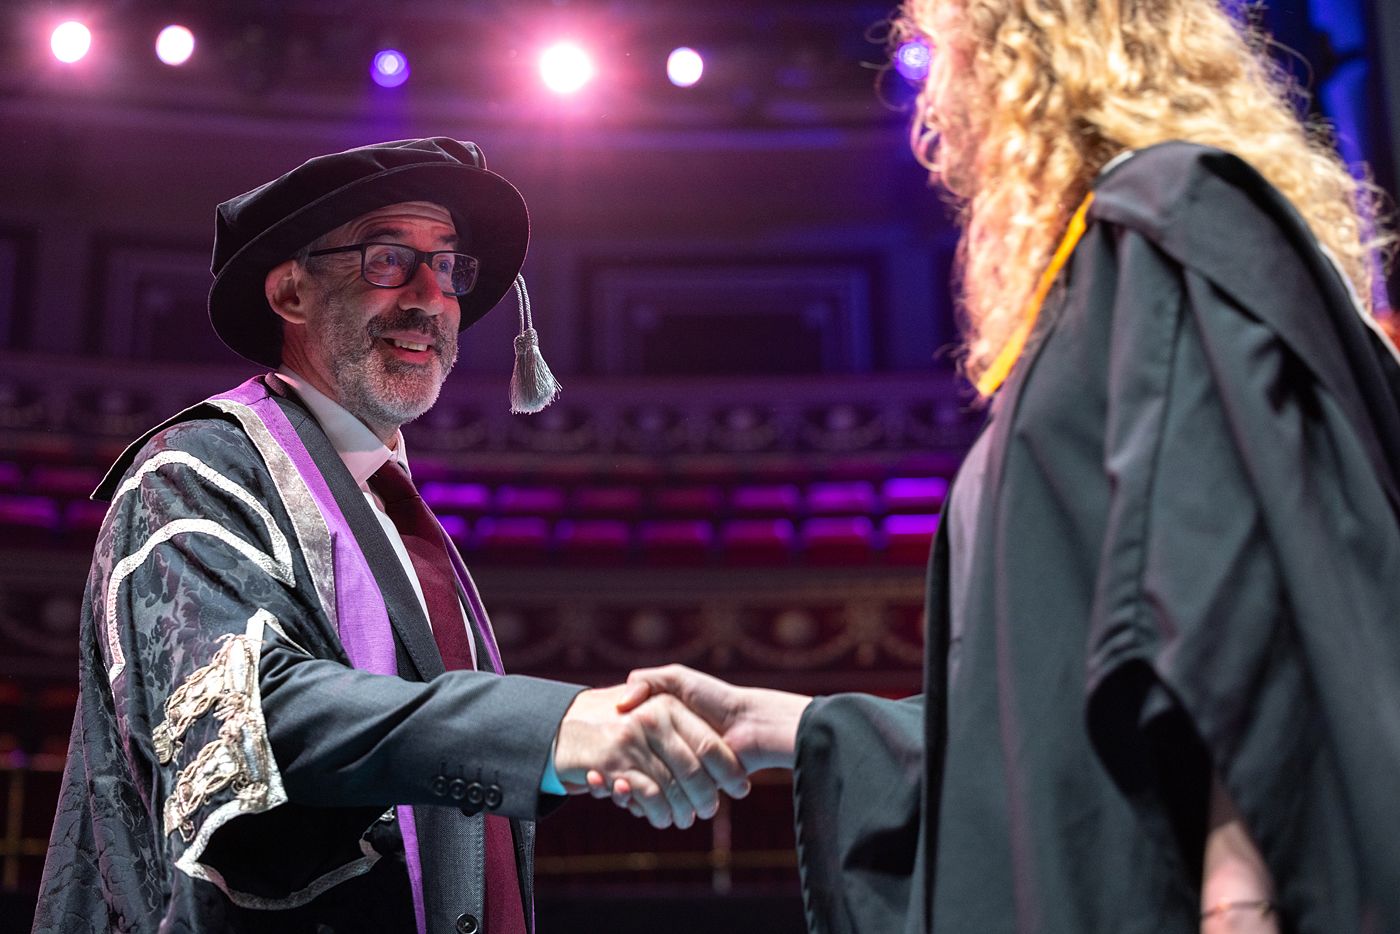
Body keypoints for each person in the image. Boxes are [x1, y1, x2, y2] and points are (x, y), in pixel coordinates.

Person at [620, 1, 1400, 932]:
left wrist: (1242, 896)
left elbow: (1238, 621)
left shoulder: (1169, 218)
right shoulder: (1113, 271)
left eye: (937, 54)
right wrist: (787, 726)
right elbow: (1046, 740)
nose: (933, 102)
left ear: (1019, 54)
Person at [32, 137, 748, 934]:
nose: (429, 298)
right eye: (386, 259)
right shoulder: (197, 471)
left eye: (446, 266)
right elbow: (255, 721)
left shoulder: (397, 517)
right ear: (291, 292)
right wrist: (545, 727)